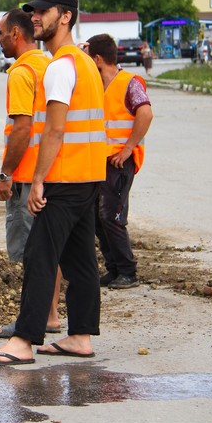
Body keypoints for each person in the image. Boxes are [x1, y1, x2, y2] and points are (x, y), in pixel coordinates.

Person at [0, 0, 106, 366]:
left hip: (64, 178)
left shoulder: (62, 66)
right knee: (80, 257)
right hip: (88, 175)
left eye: (43, 11)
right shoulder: (83, 63)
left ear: (65, 16)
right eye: (33, 12)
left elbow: (54, 130)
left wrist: (36, 181)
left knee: (39, 255)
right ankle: (80, 336)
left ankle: (22, 341)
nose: (36, 18)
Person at [0, 8, 63, 339]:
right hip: (51, 172)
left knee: (31, 253)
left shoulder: (21, 72)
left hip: (25, 177)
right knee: (50, 249)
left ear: (16, 34)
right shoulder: (48, 65)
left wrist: (5, 175)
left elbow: (22, 128)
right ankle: (50, 315)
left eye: (1, 34)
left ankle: (30, 321)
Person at [85, 34, 153, 290]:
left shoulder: (129, 83)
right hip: (98, 161)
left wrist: (127, 150)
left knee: (111, 216)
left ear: (98, 59)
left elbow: (145, 113)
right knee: (95, 217)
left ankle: (127, 271)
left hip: (118, 162)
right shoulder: (96, 85)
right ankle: (114, 269)